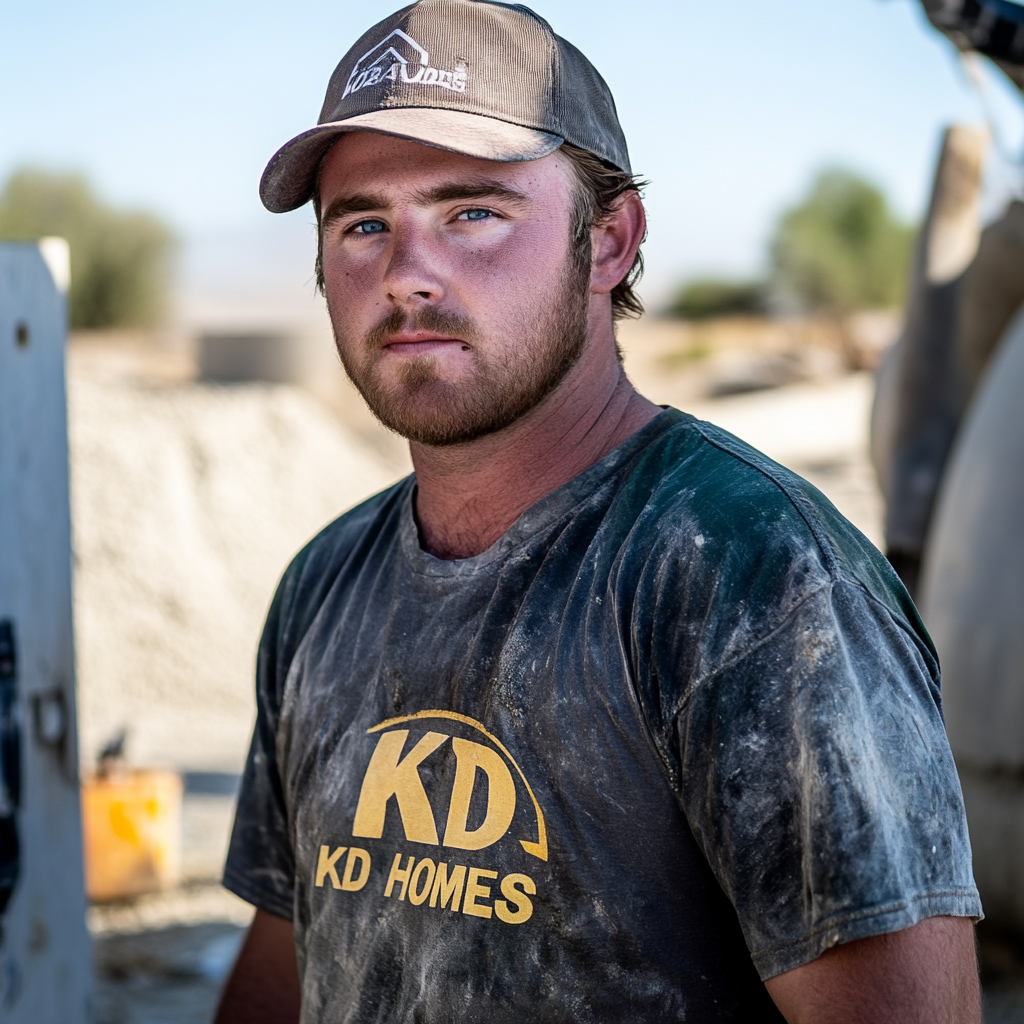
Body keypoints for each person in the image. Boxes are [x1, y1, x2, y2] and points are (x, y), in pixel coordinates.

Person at [216, 2, 982, 1021]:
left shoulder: (752, 577)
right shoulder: (325, 584)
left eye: (473, 212)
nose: (406, 276)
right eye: (363, 224)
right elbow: (288, 967)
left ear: (610, 240)